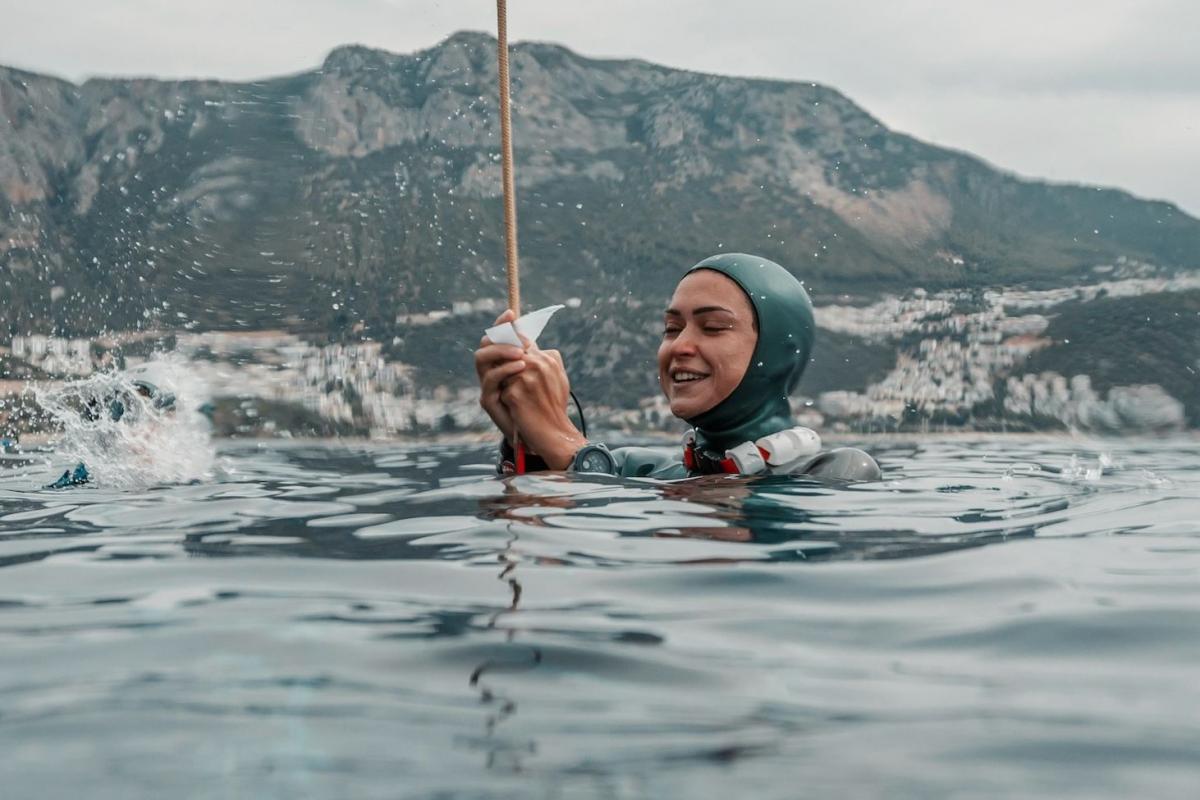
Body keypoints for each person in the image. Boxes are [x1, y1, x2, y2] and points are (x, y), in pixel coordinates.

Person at [474, 253, 881, 481]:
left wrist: (564, 442)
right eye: (671, 328)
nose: (680, 345)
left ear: (778, 354)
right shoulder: (637, 469)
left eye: (714, 327)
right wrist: (525, 435)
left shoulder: (836, 472)